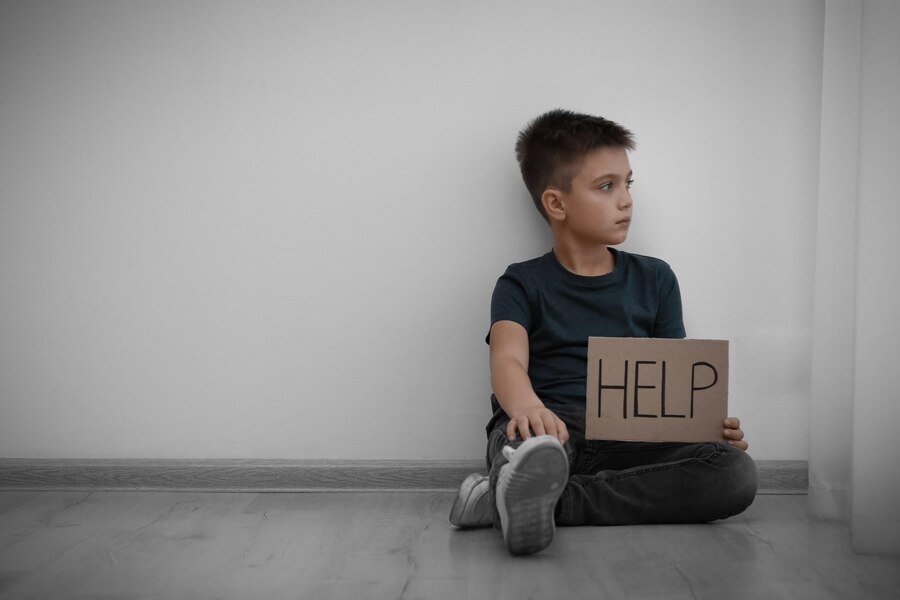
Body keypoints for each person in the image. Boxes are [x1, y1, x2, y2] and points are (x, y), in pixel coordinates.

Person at [448, 109, 757, 556]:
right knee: (525, 444)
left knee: (735, 472)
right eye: (606, 186)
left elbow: (672, 379)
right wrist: (528, 407)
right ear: (556, 204)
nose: (626, 200)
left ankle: (529, 502)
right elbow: (507, 359)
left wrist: (703, 426)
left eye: (628, 184)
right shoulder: (521, 283)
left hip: (633, 435)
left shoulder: (656, 279)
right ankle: (519, 489)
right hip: (551, 426)